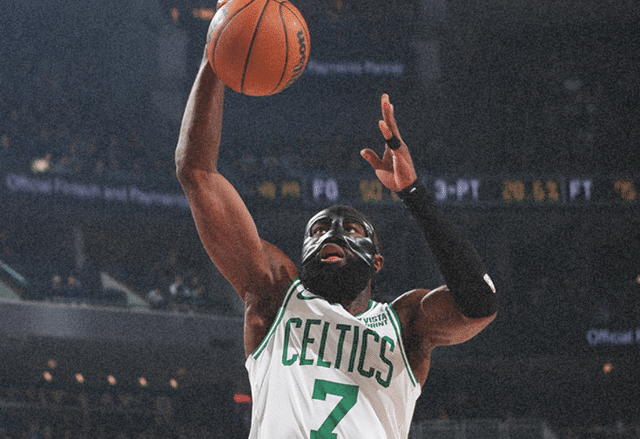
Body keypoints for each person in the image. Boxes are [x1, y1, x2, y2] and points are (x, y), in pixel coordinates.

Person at [174, 12, 498, 439]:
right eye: (317, 229)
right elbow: (197, 173)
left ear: (377, 261)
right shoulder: (275, 294)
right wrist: (215, 53)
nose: (331, 233)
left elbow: (479, 303)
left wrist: (414, 193)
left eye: (353, 230)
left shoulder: (405, 324)